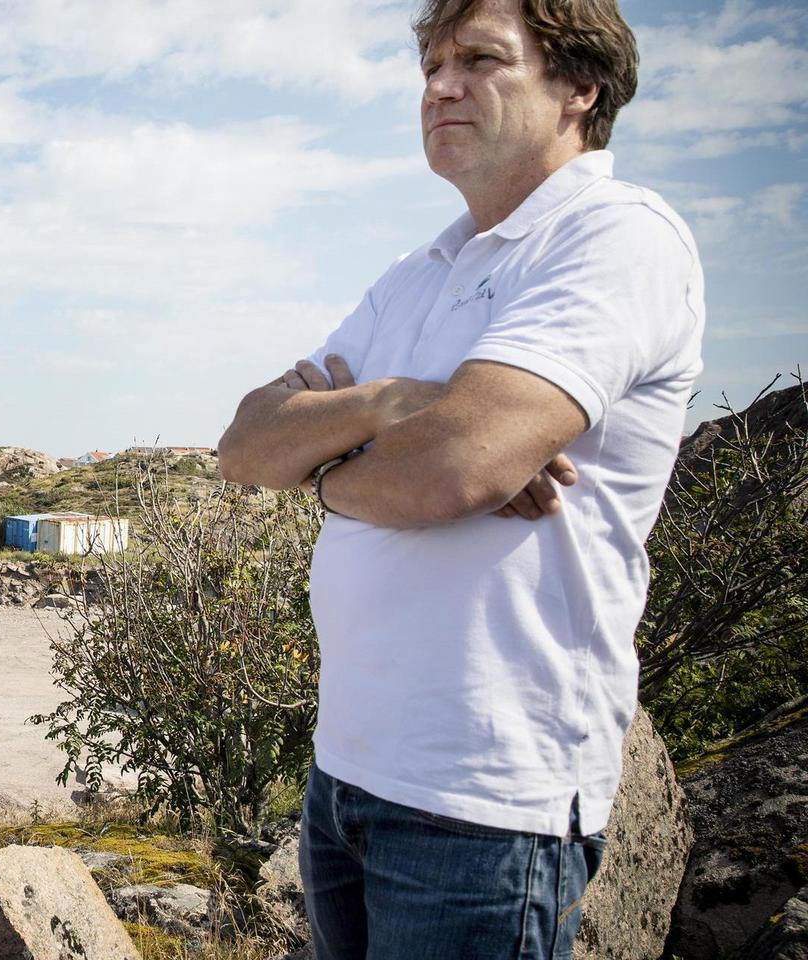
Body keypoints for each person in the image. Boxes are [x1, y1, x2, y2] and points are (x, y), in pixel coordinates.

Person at [215, 0, 704, 955]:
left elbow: (455, 467)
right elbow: (244, 447)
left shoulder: (617, 236)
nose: (441, 85)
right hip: (347, 773)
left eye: (481, 59)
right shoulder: (418, 271)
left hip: (486, 803)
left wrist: (329, 462)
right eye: (433, 64)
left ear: (579, 88)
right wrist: (392, 405)